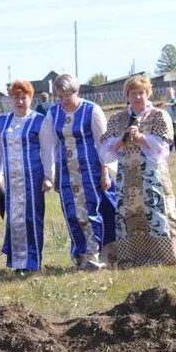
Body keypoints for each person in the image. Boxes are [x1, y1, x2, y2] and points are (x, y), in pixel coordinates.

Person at [99, 75, 176, 268]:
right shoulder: (117, 118)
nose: (137, 97)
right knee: (130, 215)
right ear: (127, 95)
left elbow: (163, 147)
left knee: (156, 213)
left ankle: (165, 257)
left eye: (141, 92)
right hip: (127, 177)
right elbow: (106, 150)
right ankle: (132, 258)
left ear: (148, 93)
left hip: (152, 176)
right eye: (133, 93)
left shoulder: (158, 115)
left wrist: (141, 137)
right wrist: (123, 139)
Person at [39, 73, 117, 270]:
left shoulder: (91, 110)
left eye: (67, 95)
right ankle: (80, 255)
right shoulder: (54, 113)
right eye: (59, 96)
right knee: (71, 213)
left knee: (91, 210)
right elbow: (48, 145)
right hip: (66, 171)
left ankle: (95, 254)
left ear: (76, 91)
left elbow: (103, 144)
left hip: (90, 170)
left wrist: (105, 172)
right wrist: (50, 174)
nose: (63, 100)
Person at [0, 81, 46, 272]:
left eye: (24, 97)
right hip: (11, 179)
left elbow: (47, 150)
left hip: (33, 178)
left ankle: (32, 262)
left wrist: (49, 175)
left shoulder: (39, 120)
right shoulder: (2, 121)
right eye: (16, 97)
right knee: (14, 219)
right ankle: (17, 262)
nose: (20, 101)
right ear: (11, 99)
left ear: (31, 98)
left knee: (31, 218)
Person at [163, 87, 176, 152]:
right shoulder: (168, 101)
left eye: (169, 92)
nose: (168, 94)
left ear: (173, 93)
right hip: (169, 120)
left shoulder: (174, 100)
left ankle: (173, 148)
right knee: (172, 134)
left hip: (174, 120)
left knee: (172, 134)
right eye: (167, 92)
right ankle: (174, 148)